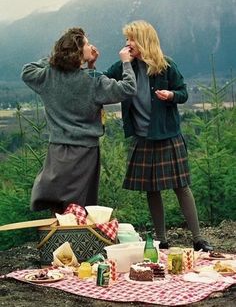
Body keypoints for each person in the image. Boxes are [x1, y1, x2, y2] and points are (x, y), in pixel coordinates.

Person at [104, 20, 213, 252]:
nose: (127, 43)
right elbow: (102, 81)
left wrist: (171, 94)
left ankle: (198, 239)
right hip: (143, 137)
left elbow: (183, 93)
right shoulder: (124, 65)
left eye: (131, 39)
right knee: (151, 189)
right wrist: (113, 64)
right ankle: (162, 240)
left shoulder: (166, 66)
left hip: (167, 135)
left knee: (181, 187)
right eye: (126, 39)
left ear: (144, 40)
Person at [21, 27, 136, 214]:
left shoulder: (48, 76)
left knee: (57, 202)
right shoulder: (93, 82)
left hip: (57, 150)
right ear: (78, 52)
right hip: (85, 151)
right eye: (87, 44)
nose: (92, 46)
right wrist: (126, 63)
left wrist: (59, 59)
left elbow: (27, 71)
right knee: (80, 204)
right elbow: (128, 88)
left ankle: (59, 239)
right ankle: (77, 240)